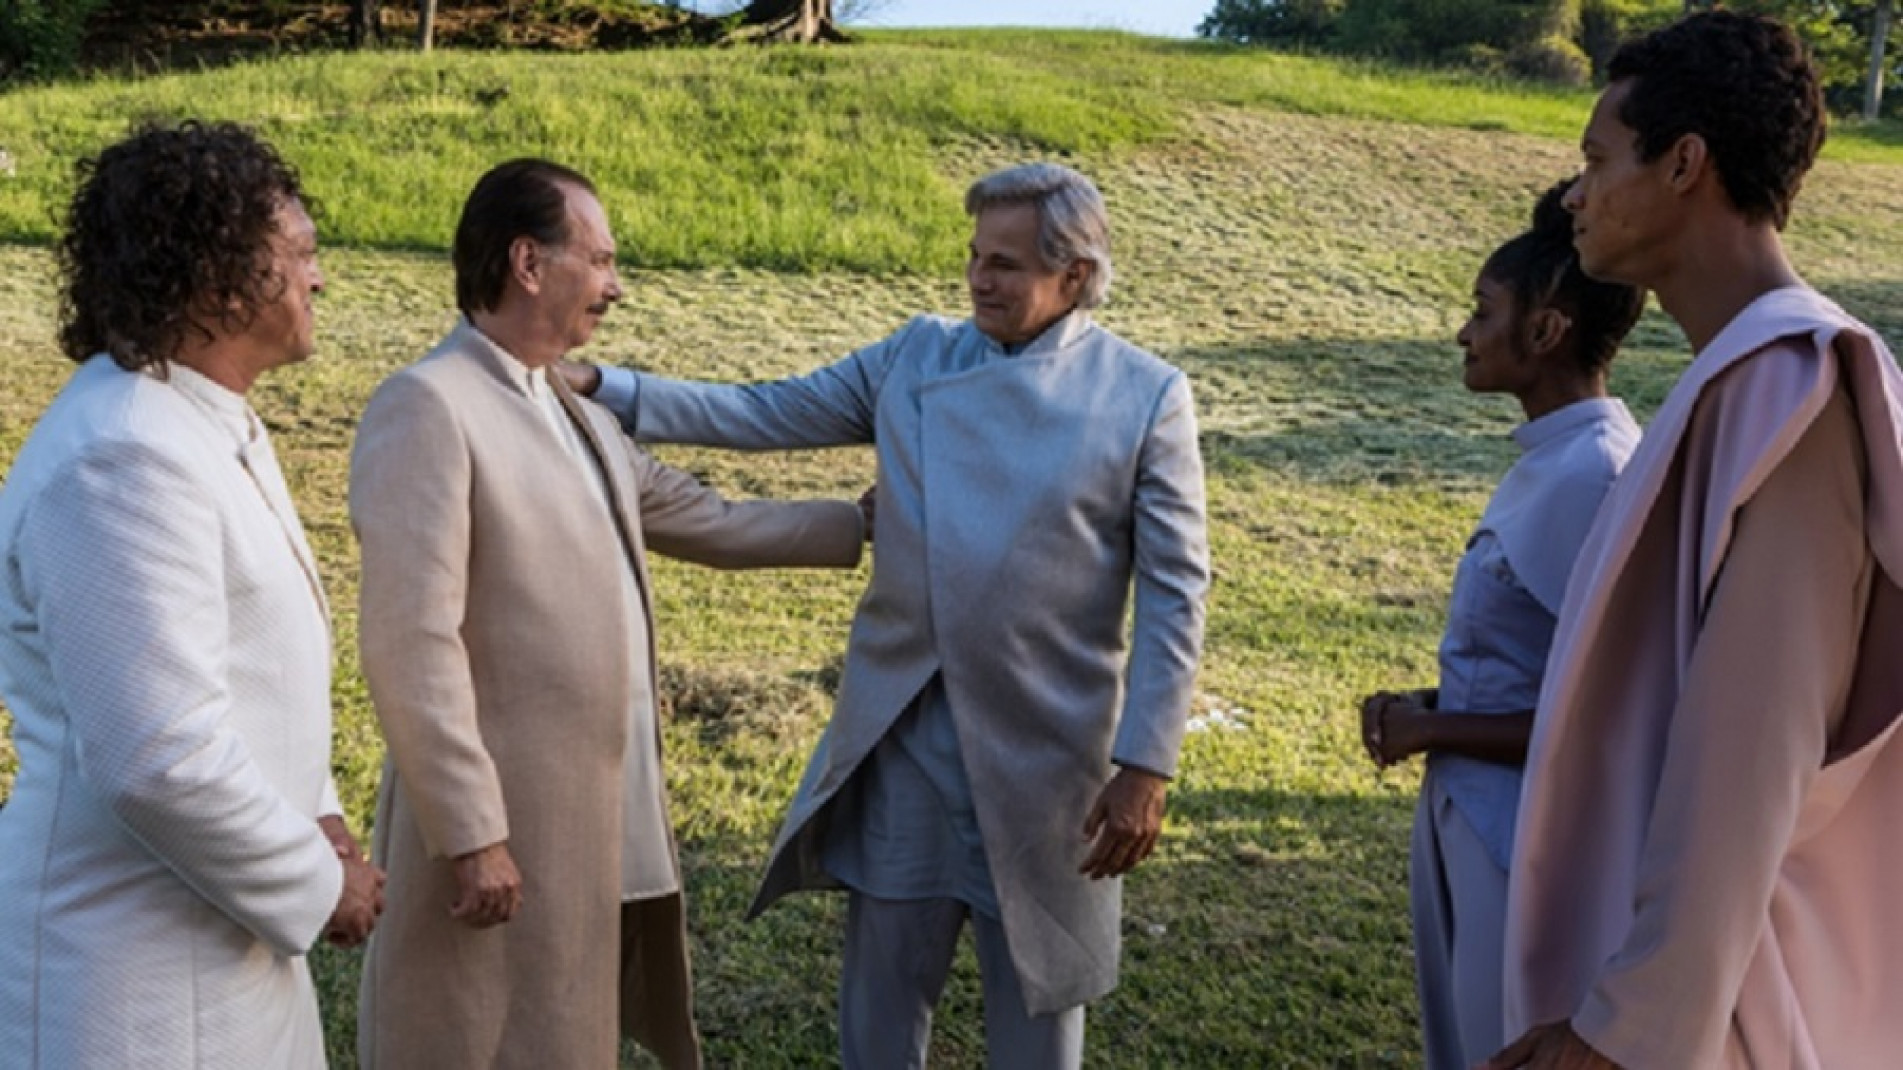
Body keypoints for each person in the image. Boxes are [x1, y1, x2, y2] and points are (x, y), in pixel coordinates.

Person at [562, 161, 1211, 1067]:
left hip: (1049, 758)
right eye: (974, 256)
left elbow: (1177, 592)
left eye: (1005, 264)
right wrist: (604, 386)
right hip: (906, 741)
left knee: (1040, 1010)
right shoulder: (916, 356)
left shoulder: (1144, 395)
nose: (978, 280)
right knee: (880, 1003)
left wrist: (1145, 764)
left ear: (1074, 276)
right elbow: (764, 410)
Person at [350, 158, 866, 1070]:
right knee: (472, 1037)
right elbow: (411, 643)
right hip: (501, 823)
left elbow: (707, 518)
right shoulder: (428, 405)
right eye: (599, 259)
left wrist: (861, 524)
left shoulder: (573, 410)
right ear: (527, 262)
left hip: (588, 822)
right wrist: (472, 834)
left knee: (564, 1035)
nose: (615, 286)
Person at [1486, 12, 1903, 1069]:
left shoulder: (1790, 382)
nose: (1573, 194)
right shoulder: (1740, 378)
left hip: (1735, 1005)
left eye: (1597, 160)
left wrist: (1628, 1027)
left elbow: (1750, 750)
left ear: (1682, 164)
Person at [0, 120, 383, 1070]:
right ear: (219, 278)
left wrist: (319, 812)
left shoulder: (206, 421)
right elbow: (157, 758)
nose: (318, 280)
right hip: (139, 981)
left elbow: (253, 669)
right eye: (301, 255)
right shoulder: (121, 454)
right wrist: (319, 885)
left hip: (220, 942)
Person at [1356, 179, 1644, 1070]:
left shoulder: (1592, 474)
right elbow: (1537, 658)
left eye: (1483, 311)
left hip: (1527, 838)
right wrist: (1433, 702)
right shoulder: (1551, 461)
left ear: (1546, 330)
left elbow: (1616, 711)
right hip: (1473, 812)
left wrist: (1436, 728)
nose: (1463, 332)